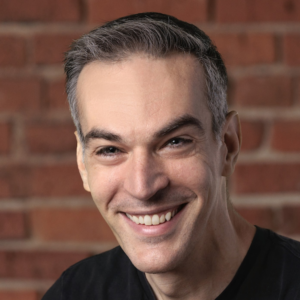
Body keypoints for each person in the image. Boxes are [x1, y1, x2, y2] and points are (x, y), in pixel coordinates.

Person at [42, 12, 300, 300]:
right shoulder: (74, 294)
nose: (143, 187)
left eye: (174, 142)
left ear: (227, 145)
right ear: (82, 162)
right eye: (110, 150)